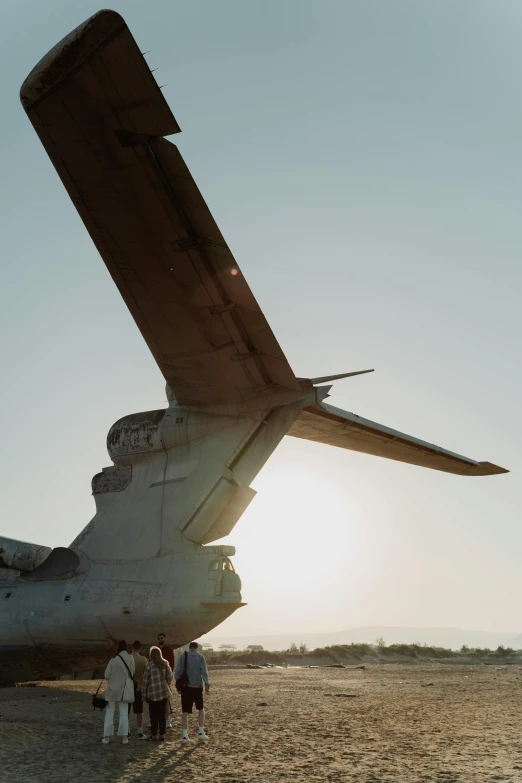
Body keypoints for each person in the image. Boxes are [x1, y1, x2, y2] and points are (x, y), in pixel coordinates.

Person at [174, 641, 210, 744]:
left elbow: (178, 671)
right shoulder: (200, 657)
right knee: (200, 709)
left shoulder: (183, 656)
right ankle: (201, 732)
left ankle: (185, 735)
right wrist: (207, 685)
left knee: (185, 711)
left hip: (186, 687)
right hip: (197, 687)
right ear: (196, 648)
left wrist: (178, 685)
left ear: (189, 648)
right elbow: (204, 672)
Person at [102, 640, 135, 745]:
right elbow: (132, 673)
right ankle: (125, 738)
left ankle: (106, 737)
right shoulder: (131, 658)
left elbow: (106, 675)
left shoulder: (113, 660)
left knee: (109, 713)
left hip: (112, 690)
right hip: (124, 690)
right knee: (124, 713)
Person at [142, 645, 173, 742]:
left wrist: (144, 695)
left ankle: (154, 734)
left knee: (153, 715)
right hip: (163, 693)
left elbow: (145, 681)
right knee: (162, 715)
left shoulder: (149, 665)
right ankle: (162, 735)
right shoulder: (165, 663)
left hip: (152, 694)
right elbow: (170, 677)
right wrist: (166, 684)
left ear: (151, 655)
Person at [129, 640, 148, 739]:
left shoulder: (127, 658)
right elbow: (146, 673)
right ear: (140, 648)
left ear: (131, 647)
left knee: (126, 711)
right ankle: (140, 732)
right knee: (139, 711)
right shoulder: (143, 659)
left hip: (128, 687)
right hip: (138, 688)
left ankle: (126, 732)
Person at [157, 632, 175, 728]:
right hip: (156, 678)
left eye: (162, 638)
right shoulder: (156, 650)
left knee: (166, 699)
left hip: (165, 678)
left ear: (165, 639)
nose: (160, 639)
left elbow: (172, 664)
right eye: (159, 638)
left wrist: (169, 676)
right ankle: (156, 720)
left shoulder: (169, 650)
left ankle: (167, 720)